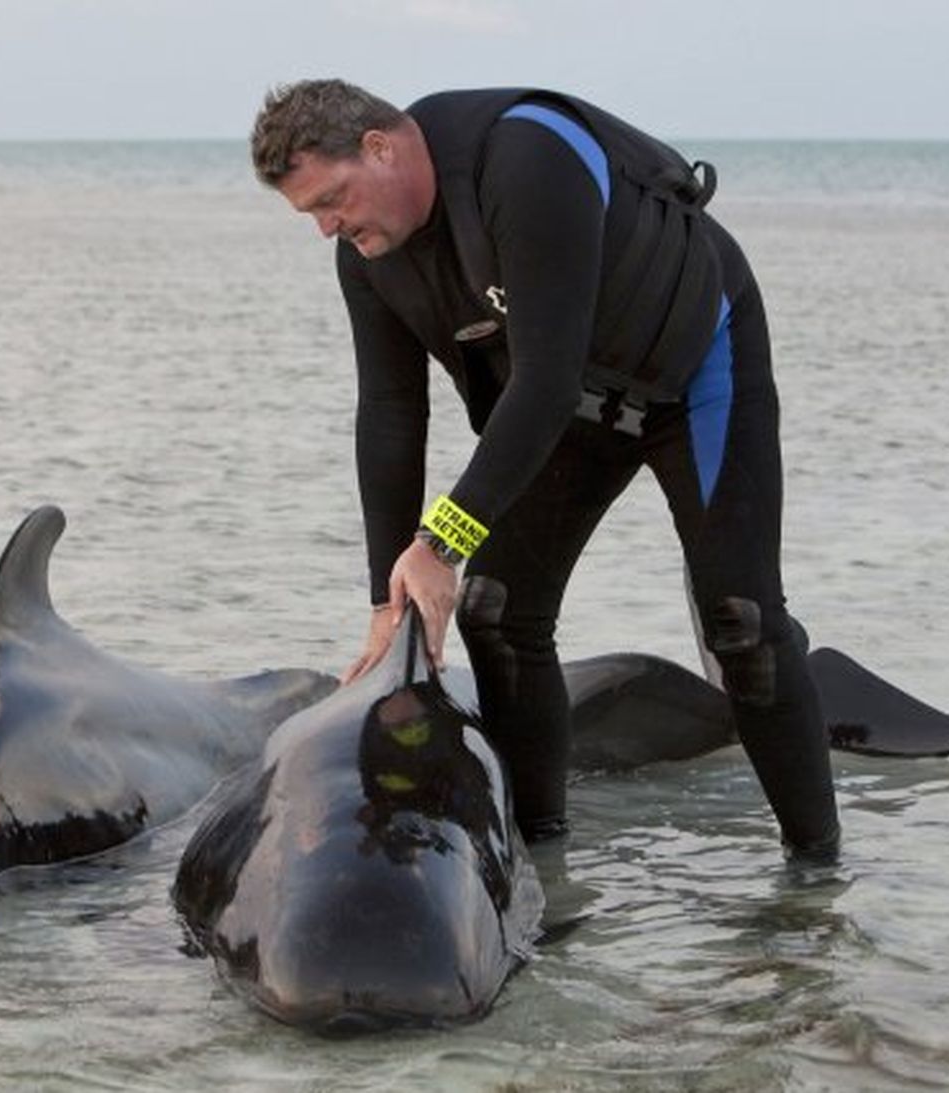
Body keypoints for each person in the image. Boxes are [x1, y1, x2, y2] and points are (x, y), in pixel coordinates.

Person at [249, 79, 840, 862]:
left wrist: (441, 542)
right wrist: (384, 599)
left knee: (744, 622)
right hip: (568, 410)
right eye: (311, 216)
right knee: (495, 611)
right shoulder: (369, 260)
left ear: (380, 148)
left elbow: (545, 378)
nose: (329, 227)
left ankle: (815, 881)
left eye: (332, 199)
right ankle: (542, 867)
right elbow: (392, 416)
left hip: (692, 372)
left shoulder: (524, 157)